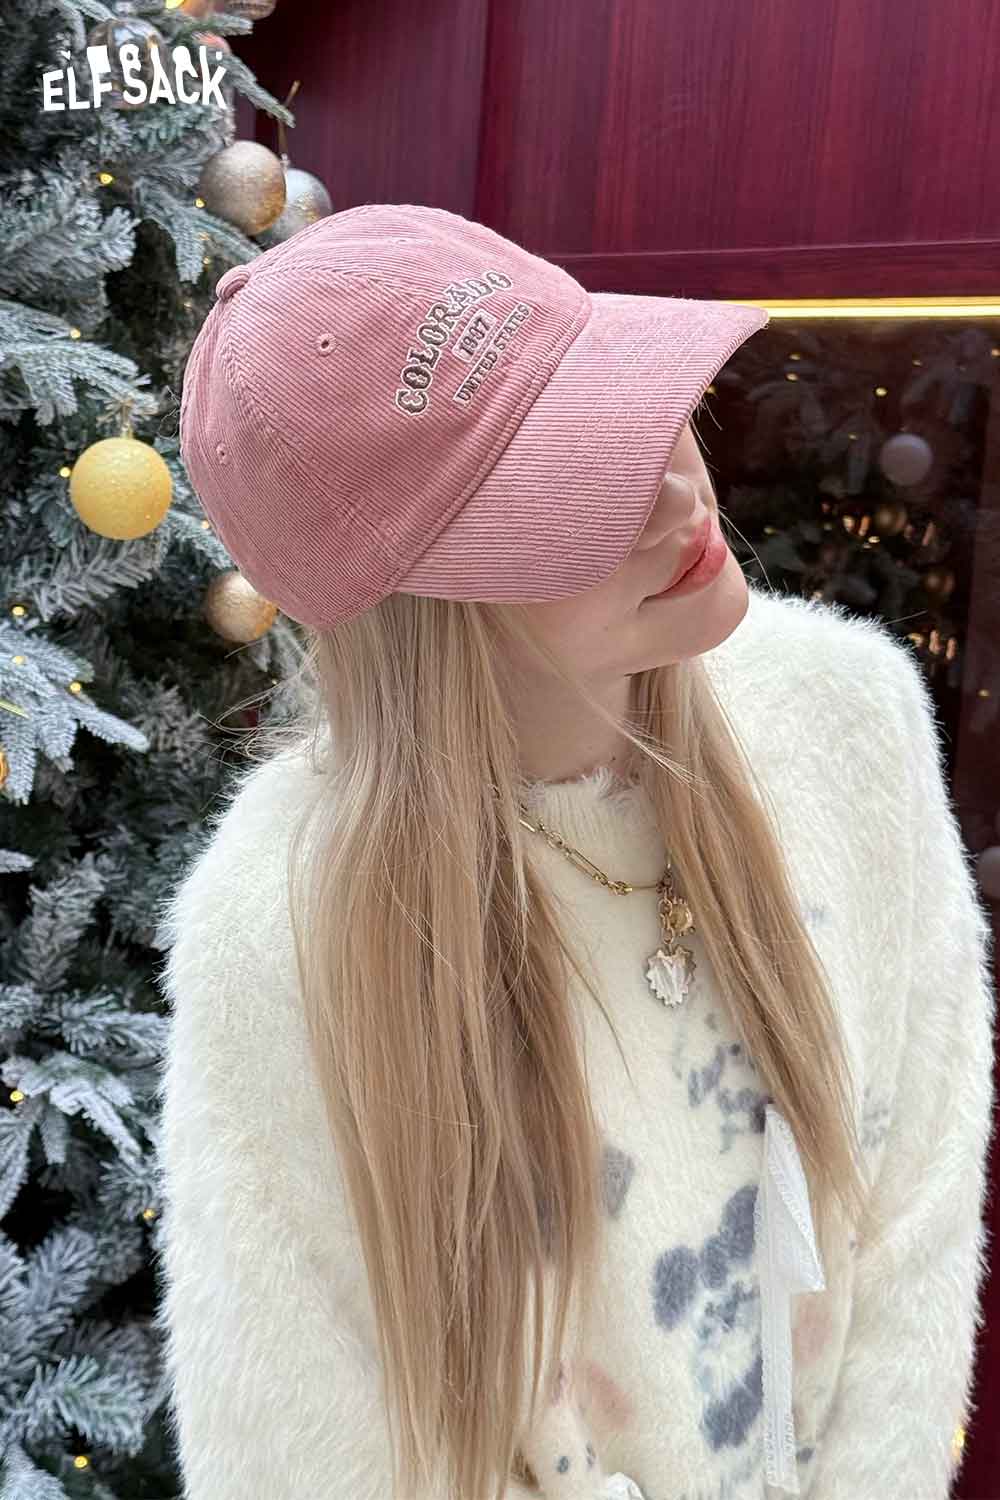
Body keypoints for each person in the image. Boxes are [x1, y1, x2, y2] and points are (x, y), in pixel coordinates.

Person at [153, 203, 995, 1500]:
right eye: (576, 481)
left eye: (628, 399)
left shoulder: (846, 720)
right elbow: (298, 1449)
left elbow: (917, 1233)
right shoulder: (284, 927)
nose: (673, 484)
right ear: (422, 611)